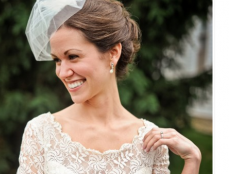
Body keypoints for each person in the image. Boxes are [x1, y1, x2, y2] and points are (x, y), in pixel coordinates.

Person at [17, 0, 202, 173]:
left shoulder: (150, 140)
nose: (62, 72)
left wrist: (192, 159)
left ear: (113, 53)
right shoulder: (41, 132)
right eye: (57, 60)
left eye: (72, 56)